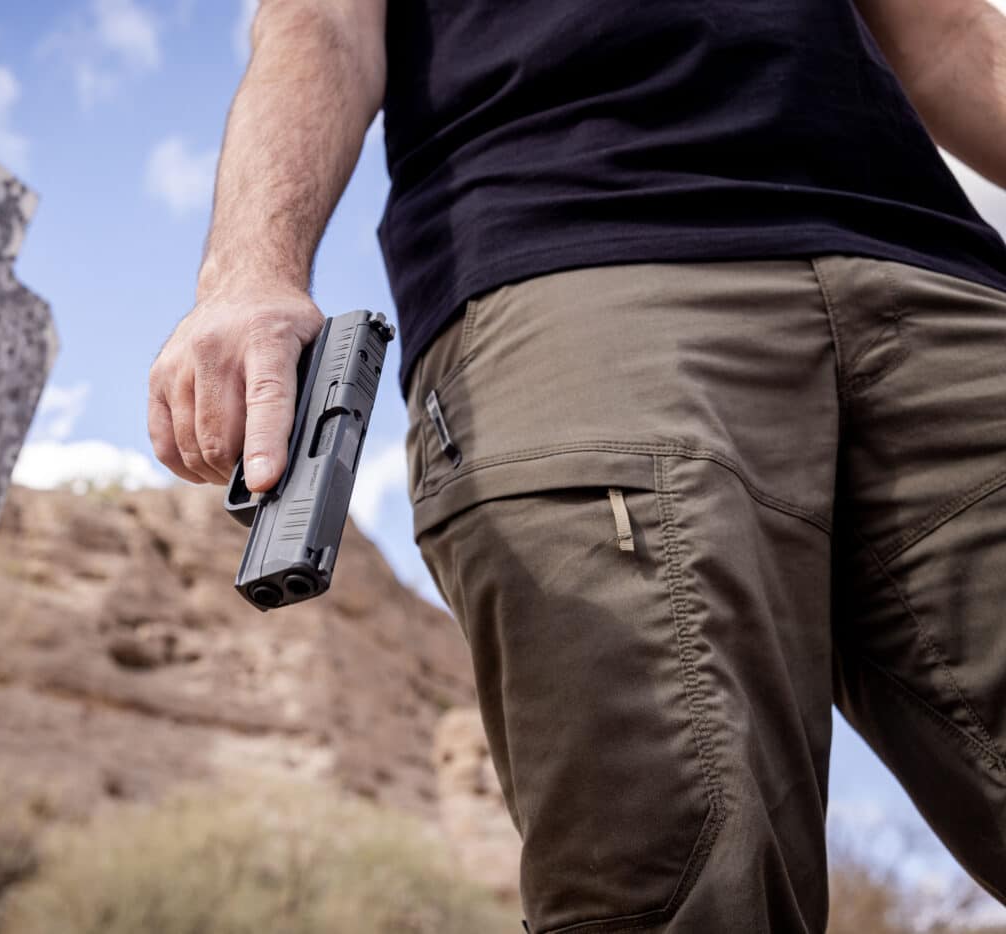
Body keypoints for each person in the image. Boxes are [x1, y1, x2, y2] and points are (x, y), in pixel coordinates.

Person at [146, 0, 1006, 928]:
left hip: (935, 277)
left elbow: (951, 34)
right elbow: (320, 23)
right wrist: (249, 274)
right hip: (576, 265)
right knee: (681, 879)